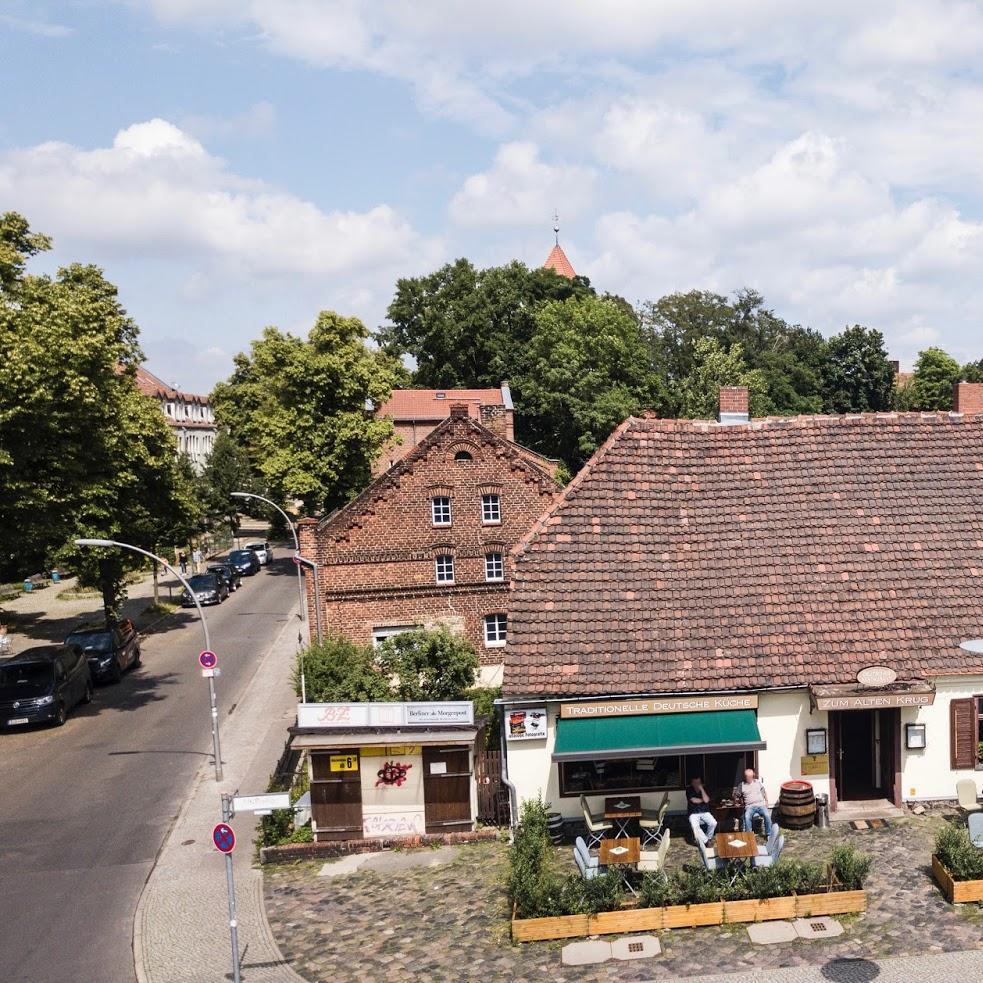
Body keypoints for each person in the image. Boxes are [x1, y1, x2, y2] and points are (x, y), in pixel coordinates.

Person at [740, 768, 772, 837]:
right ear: (745, 777)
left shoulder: (757, 782)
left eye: (751, 776)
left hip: (760, 805)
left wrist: (766, 801)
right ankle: (749, 835)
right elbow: (736, 795)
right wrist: (739, 800)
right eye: (748, 777)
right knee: (747, 816)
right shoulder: (742, 785)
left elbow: (763, 791)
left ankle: (768, 834)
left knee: (767, 815)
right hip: (750, 806)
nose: (750, 778)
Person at [687, 776, 717, 844]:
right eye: (696, 782)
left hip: (705, 811)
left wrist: (702, 789)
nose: (697, 784)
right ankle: (706, 841)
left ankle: (708, 838)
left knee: (713, 823)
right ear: (692, 783)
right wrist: (703, 800)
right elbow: (694, 800)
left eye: (699, 782)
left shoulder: (704, 789)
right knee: (695, 826)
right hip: (693, 812)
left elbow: (706, 800)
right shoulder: (689, 790)